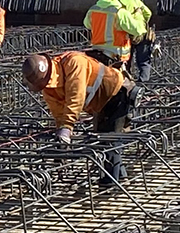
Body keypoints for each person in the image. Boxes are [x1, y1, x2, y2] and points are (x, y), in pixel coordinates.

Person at [21, 52, 138, 184]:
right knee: (105, 140)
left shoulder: (74, 63)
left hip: (117, 92)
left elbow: (75, 98)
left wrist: (67, 127)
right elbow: (58, 111)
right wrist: (61, 139)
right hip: (100, 104)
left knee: (109, 141)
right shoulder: (48, 86)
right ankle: (120, 178)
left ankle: (110, 185)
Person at [84, 0, 147, 69]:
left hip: (96, 55)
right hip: (115, 59)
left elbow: (87, 24)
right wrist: (138, 15)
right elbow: (138, 30)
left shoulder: (93, 9)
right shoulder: (120, 12)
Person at [120, 0, 157, 82]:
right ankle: (144, 81)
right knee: (144, 60)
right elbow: (148, 13)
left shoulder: (117, 1)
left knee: (126, 59)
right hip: (142, 33)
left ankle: (126, 81)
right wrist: (143, 24)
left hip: (127, 33)